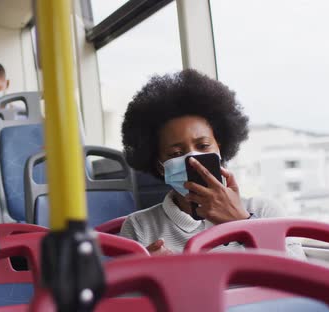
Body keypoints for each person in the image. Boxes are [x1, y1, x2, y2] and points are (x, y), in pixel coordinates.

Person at [119, 69, 305, 258]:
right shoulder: (140, 226)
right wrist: (150, 275)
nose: (192, 159)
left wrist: (241, 222)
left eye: (203, 146)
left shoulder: (264, 210)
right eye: (176, 153)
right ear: (160, 165)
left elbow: (302, 280)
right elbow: (126, 288)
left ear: (219, 149)